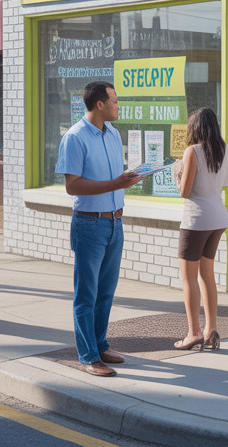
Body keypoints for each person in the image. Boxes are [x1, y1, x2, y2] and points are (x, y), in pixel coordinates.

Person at [56, 81, 141, 377]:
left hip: (115, 222)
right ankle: (88, 356)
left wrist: (127, 179)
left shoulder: (114, 134)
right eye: (115, 101)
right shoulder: (75, 137)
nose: (118, 105)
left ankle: (101, 344)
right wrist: (116, 183)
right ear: (100, 104)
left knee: (106, 292)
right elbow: (72, 185)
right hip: (89, 224)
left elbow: (112, 178)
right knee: (86, 294)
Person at [171, 108, 228, 352]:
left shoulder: (192, 151)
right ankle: (211, 330)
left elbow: (185, 192)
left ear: (194, 128)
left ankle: (193, 333)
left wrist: (178, 172)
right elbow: (227, 181)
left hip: (196, 219)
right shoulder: (227, 150)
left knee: (188, 277)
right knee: (207, 274)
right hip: (219, 216)